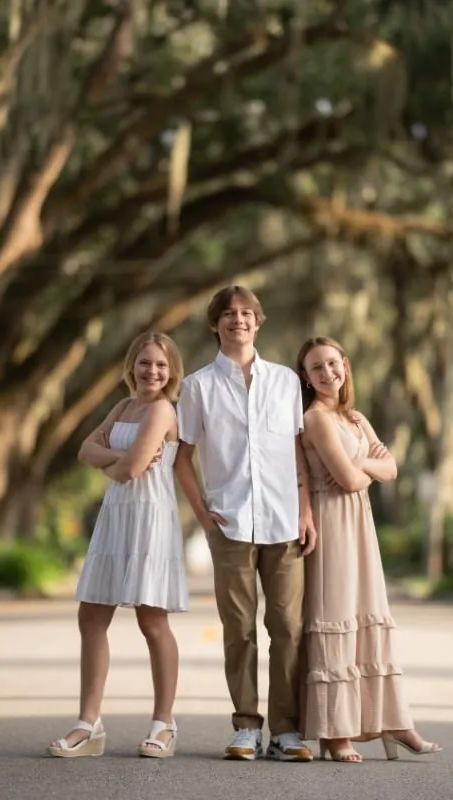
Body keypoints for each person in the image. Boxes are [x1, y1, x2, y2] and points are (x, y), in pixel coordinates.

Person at [175, 285, 317, 762]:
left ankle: (286, 732)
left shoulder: (285, 382)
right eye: (229, 313)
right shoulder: (197, 387)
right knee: (239, 629)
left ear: (258, 321)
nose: (238, 319)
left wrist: (305, 508)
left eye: (246, 313)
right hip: (230, 523)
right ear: (215, 323)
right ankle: (246, 727)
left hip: (284, 521)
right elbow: (182, 457)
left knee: (288, 628)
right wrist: (203, 514)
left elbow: (296, 448)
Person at [295, 336, 442, 763]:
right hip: (332, 524)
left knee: (367, 615)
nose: (327, 372)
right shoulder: (315, 419)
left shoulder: (355, 418)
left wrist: (360, 464)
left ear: (345, 364)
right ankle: (334, 731)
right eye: (316, 367)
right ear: (306, 377)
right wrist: (364, 468)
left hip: (360, 525)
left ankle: (393, 723)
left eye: (333, 363)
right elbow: (349, 480)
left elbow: (391, 467)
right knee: (336, 614)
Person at [48, 332, 188, 760]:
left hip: (149, 517)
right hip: (116, 516)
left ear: (172, 372)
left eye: (161, 365)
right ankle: (88, 724)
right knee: (90, 615)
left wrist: (114, 461)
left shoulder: (163, 410)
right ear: (132, 366)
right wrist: (118, 461)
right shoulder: (124, 407)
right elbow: (85, 451)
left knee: (152, 621)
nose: (152, 371)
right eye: (145, 362)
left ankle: (164, 723)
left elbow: (131, 469)